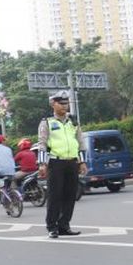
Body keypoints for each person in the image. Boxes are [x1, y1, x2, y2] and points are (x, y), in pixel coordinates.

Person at [37, 90, 88, 238]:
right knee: (55, 196)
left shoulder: (73, 121)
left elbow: (80, 143)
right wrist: (42, 164)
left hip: (72, 162)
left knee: (70, 195)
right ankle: (52, 227)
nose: (65, 106)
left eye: (66, 104)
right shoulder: (47, 122)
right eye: (61, 103)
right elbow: (42, 144)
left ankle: (64, 225)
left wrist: (82, 161)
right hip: (55, 162)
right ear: (53, 104)